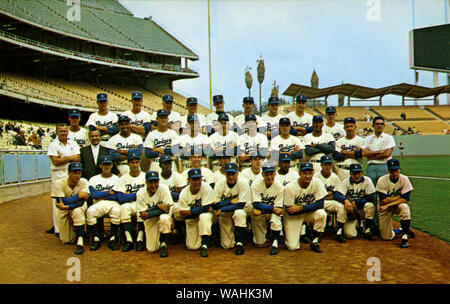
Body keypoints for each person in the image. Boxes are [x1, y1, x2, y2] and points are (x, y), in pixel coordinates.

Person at [283, 162, 328, 253]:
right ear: (299, 174)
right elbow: (289, 211)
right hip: (293, 216)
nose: (307, 176)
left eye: (309, 173)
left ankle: (315, 241)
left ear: (313, 173)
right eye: (304, 173)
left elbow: (320, 204)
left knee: (321, 214)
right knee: (292, 247)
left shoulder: (317, 182)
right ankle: (290, 234)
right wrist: (308, 207)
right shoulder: (290, 187)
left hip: (306, 212)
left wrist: (302, 208)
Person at [46, 123, 80, 236]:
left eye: (65, 131)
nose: (63, 133)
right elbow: (55, 161)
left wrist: (63, 158)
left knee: (72, 200)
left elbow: (78, 158)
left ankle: (73, 227)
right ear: (56, 132)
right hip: (57, 175)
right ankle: (58, 229)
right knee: (58, 202)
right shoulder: (53, 145)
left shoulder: (73, 143)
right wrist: (71, 158)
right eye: (61, 131)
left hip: (70, 175)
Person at [174, 168, 215, 257]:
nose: (197, 182)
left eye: (198, 179)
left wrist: (191, 211)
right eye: (194, 179)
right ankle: (182, 233)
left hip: (204, 216)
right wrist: (197, 210)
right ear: (189, 180)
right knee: (192, 247)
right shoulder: (184, 193)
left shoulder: (206, 187)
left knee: (204, 216)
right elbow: (183, 214)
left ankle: (205, 244)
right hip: (192, 218)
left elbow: (207, 207)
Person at [111, 151, 146, 252]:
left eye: (136, 162)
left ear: (139, 163)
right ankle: (129, 240)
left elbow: (148, 195)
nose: (134, 165)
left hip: (142, 204)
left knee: (141, 208)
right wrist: (139, 194)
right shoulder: (123, 178)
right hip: (129, 204)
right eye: (132, 162)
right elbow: (121, 198)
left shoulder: (145, 176)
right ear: (128, 163)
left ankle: (139, 240)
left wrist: (129, 195)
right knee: (123, 208)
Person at [211, 163, 250, 255]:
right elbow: (215, 205)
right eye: (229, 174)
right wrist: (229, 201)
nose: (231, 176)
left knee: (239, 213)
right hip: (226, 212)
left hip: (243, 209)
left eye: (233, 174)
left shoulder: (243, 183)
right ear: (225, 174)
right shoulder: (220, 184)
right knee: (227, 245)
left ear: (237, 173)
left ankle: (240, 243)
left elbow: (241, 204)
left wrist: (222, 208)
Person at [51, 162, 89, 255]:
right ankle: (76, 229)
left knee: (77, 211)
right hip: (63, 209)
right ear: (69, 173)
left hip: (77, 206)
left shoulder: (83, 181)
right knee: (66, 240)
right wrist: (78, 196)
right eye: (75, 173)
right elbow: (61, 202)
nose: (77, 176)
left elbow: (82, 202)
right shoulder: (59, 183)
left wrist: (69, 205)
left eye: (79, 173)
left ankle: (80, 241)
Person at [85, 155, 121, 251]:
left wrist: (101, 194)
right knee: (90, 212)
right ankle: (96, 238)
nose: (106, 166)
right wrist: (109, 192)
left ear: (112, 165)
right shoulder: (94, 179)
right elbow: (93, 194)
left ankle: (112, 238)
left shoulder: (117, 179)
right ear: (100, 165)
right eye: (104, 164)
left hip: (113, 203)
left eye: (108, 164)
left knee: (117, 211)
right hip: (98, 203)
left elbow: (118, 196)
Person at [376, 159, 414, 248]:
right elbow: (383, 200)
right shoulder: (382, 180)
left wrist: (388, 204)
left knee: (404, 208)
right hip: (384, 207)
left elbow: (405, 199)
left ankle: (405, 237)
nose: (394, 173)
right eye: (392, 170)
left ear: (399, 169)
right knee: (386, 237)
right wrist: (399, 197)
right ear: (388, 171)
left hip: (390, 206)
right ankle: (401, 230)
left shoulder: (404, 179)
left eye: (396, 170)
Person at [137, 171, 174, 257]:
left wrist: (150, 212)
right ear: (146, 182)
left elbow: (167, 209)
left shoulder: (164, 188)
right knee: (152, 249)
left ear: (158, 181)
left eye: (155, 182)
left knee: (164, 218)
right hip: (150, 220)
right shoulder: (140, 193)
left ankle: (164, 244)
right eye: (150, 182)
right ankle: (157, 239)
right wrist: (157, 206)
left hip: (162, 216)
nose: (153, 185)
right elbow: (144, 216)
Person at [250, 162, 284, 255]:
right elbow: (256, 204)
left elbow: (278, 209)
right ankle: (266, 235)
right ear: (262, 174)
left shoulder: (279, 186)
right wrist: (272, 208)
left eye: (271, 174)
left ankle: (275, 242)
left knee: (276, 217)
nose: (269, 177)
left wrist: (263, 210)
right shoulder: (256, 184)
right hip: (261, 212)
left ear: (275, 173)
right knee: (259, 243)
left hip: (268, 212)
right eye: (267, 174)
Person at [315, 155, 348, 243]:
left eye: (329, 164)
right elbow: (316, 195)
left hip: (331, 201)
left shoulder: (335, 177)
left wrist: (328, 194)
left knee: (341, 207)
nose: (328, 166)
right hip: (318, 202)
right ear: (321, 165)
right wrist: (330, 193)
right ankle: (317, 234)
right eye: (325, 164)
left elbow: (337, 194)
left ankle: (339, 232)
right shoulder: (316, 176)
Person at [340, 163, 377, 240]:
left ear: (362, 173)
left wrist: (357, 202)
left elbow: (371, 197)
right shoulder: (346, 182)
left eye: (358, 173)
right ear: (350, 173)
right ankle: (356, 224)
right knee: (350, 235)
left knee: (370, 206)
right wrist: (345, 200)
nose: (356, 176)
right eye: (354, 173)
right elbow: (338, 194)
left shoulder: (367, 180)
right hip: (351, 213)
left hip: (362, 210)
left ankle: (367, 229)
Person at [363, 116, 396, 186]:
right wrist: (379, 152)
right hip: (371, 166)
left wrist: (371, 156)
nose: (379, 125)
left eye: (381, 124)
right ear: (373, 126)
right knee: (371, 189)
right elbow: (365, 153)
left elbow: (387, 154)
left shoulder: (389, 138)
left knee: (384, 188)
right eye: (377, 124)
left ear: (384, 125)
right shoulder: (368, 139)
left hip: (384, 165)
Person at [143, 109, 179, 173]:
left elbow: (174, 151)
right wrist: (166, 151)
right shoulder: (151, 134)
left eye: (165, 118)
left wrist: (157, 150)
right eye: (161, 118)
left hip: (170, 163)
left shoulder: (173, 133)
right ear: (157, 119)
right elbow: (148, 153)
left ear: (168, 119)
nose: (163, 120)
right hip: (155, 163)